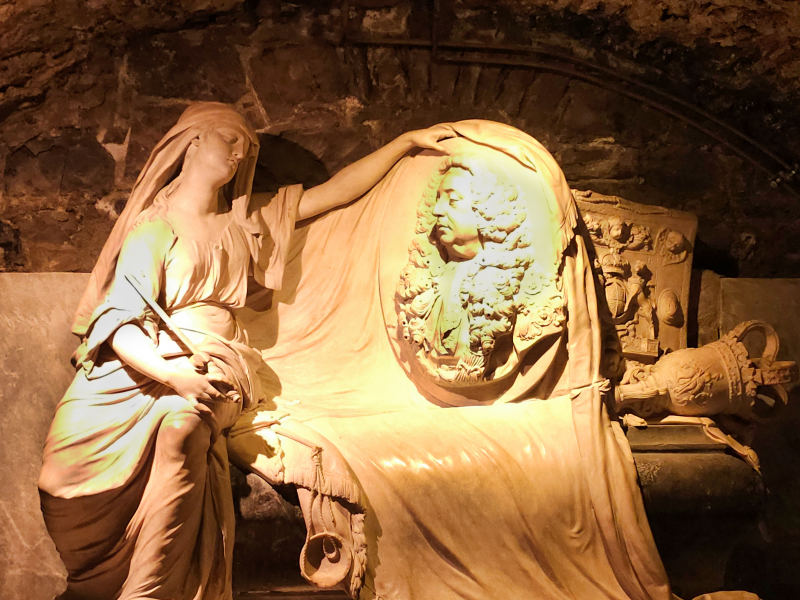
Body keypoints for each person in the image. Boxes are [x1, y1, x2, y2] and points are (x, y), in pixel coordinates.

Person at [38, 102, 454, 600]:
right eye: (228, 140)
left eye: (246, 147)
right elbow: (120, 323)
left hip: (218, 358)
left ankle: (150, 589)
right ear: (192, 142)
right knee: (59, 472)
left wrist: (405, 142)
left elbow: (334, 193)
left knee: (181, 428)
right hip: (149, 360)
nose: (238, 154)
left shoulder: (246, 218)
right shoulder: (153, 230)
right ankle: (99, 576)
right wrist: (174, 377)